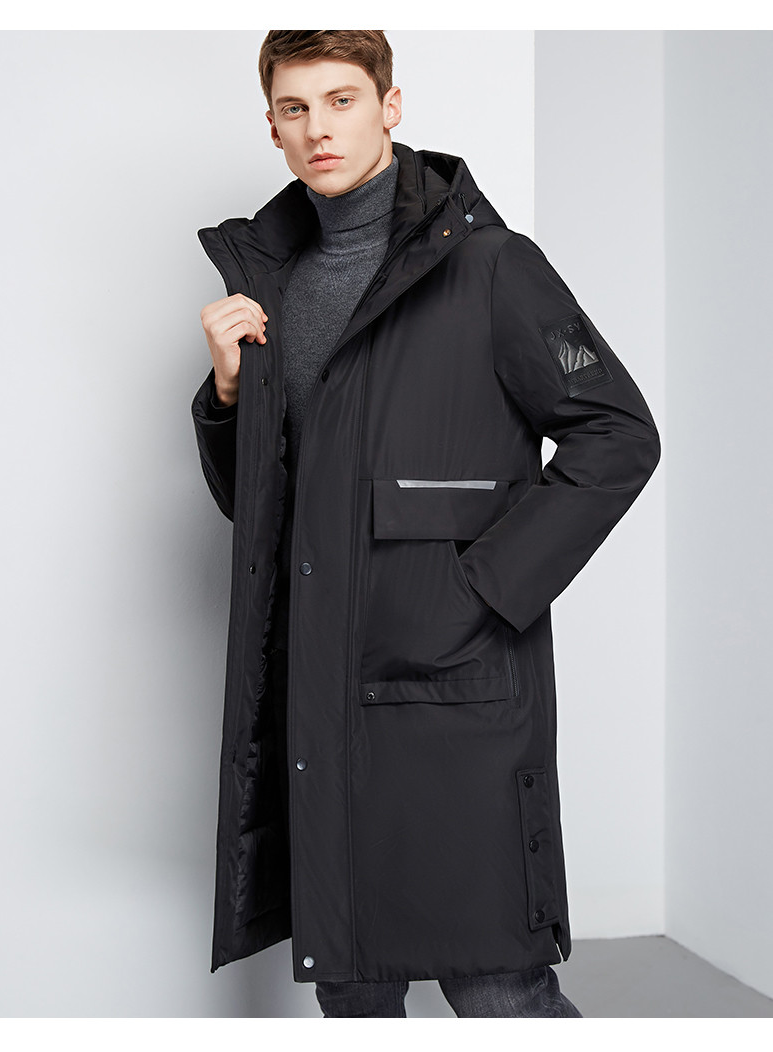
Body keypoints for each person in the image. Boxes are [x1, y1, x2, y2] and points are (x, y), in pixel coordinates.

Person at [191, 30, 659, 1018]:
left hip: (459, 691)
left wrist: (481, 590)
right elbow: (260, 509)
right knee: (354, 992)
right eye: (294, 109)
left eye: (342, 100)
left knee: (498, 987)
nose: (319, 129)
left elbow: (617, 433)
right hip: (322, 699)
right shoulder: (271, 288)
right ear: (271, 127)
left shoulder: (492, 268)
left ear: (390, 107)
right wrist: (230, 395)